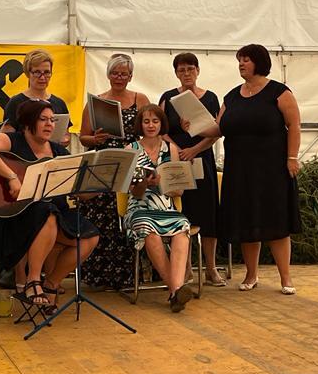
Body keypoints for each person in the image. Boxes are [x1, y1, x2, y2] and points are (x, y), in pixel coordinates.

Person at [0, 99, 98, 311]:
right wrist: (12, 177)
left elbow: (80, 194)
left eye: (52, 120)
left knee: (89, 236)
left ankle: (51, 284)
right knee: (46, 213)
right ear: (28, 122)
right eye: (43, 119)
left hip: (52, 216)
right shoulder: (13, 140)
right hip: (10, 216)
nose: (50, 124)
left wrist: (101, 185)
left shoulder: (59, 152)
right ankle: (33, 280)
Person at [197, 44, 301, 294]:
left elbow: (295, 125)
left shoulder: (279, 92)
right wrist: (194, 127)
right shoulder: (232, 96)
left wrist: (292, 157)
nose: (241, 64)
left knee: (276, 221)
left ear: (259, 63)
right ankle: (251, 275)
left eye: (246, 60)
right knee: (246, 221)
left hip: (272, 169)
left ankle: (286, 278)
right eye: (239, 60)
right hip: (239, 170)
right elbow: (218, 128)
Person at [78, 53, 149, 290]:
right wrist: (95, 139)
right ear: (108, 75)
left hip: (131, 161)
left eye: (124, 74)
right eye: (115, 73)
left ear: (131, 76)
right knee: (101, 215)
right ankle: (98, 276)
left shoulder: (140, 99)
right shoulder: (96, 101)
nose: (119, 77)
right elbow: (84, 137)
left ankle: (129, 275)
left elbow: (151, 128)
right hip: (104, 162)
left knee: (128, 213)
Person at [159, 52, 224, 286]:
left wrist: (194, 149)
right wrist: (177, 149)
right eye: (181, 70)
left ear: (197, 70)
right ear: (176, 73)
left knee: (208, 214)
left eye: (190, 69)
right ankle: (185, 269)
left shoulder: (211, 97)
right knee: (181, 212)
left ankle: (211, 268)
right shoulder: (168, 97)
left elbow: (217, 131)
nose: (186, 73)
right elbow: (161, 130)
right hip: (176, 161)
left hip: (201, 158)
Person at [125, 104, 194, 312]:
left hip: (166, 206)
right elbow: (134, 193)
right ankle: (176, 290)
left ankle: (174, 293)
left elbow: (178, 191)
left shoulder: (171, 149)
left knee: (182, 227)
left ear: (161, 123)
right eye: (146, 121)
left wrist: (163, 183)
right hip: (140, 206)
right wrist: (145, 184)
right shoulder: (130, 150)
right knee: (148, 229)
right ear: (140, 124)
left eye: (155, 121)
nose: (151, 125)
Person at [3, 49, 71, 148]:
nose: (42, 77)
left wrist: (64, 139)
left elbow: (66, 135)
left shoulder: (59, 103)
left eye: (47, 72)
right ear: (28, 73)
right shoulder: (16, 102)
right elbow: (7, 137)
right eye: (37, 72)